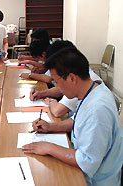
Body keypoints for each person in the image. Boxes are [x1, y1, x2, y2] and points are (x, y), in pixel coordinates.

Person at [22, 47, 123, 186]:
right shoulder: (92, 90)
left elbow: (87, 161)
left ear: (71, 78)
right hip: (83, 162)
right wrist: (50, 126)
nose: (56, 87)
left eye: (56, 81)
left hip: (94, 180)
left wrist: (49, 148)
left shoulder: (98, 109)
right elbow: (78, 120)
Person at [30, 40, 102, 117]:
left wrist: (51, 101)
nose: (57, 86)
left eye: (56, 81)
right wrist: (41, 94)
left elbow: (58, 111)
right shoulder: (82, 76)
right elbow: (73, 121)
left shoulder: (81, 87)